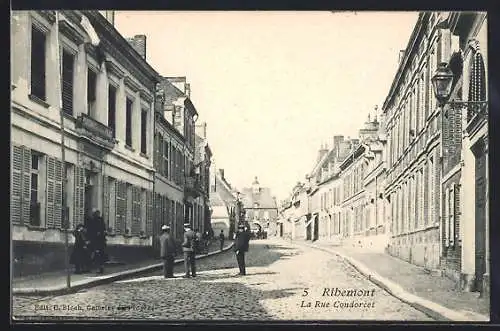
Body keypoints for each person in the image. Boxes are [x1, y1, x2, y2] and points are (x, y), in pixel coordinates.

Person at [90, 210, 108, 274]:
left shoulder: (95, 221)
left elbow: (93, 231)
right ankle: (100, 267)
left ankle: (100, 268)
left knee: (98, 255)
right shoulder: (98, 220)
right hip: (99, 241)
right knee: (99, 255)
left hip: (98, 242)